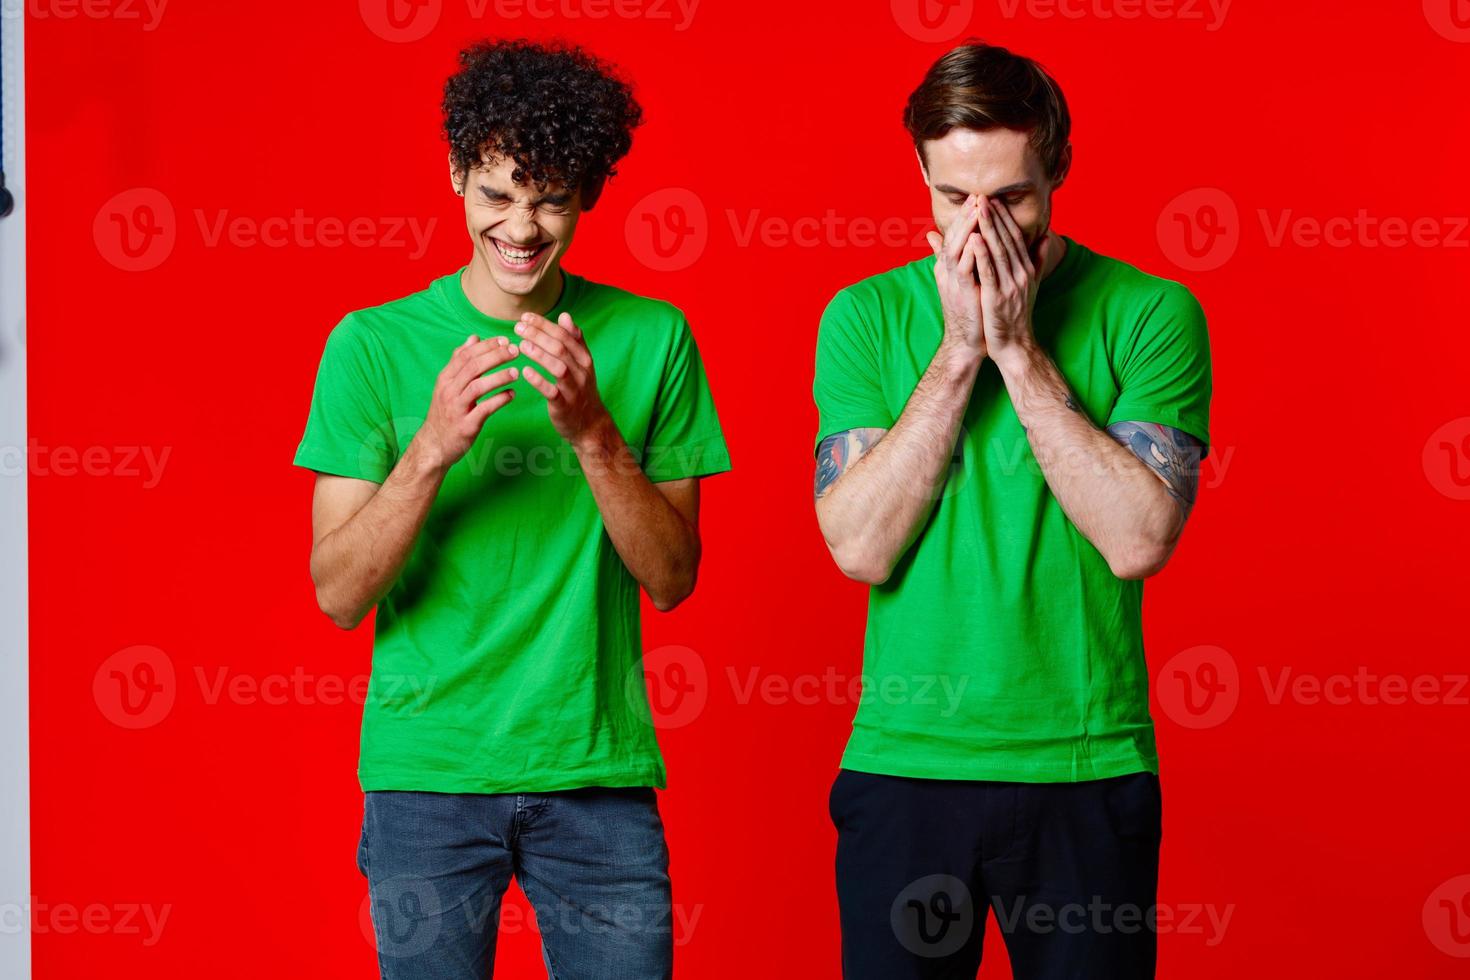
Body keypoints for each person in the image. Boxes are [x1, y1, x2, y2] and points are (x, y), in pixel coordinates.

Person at [293, 39, 730, 980]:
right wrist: (432, 449)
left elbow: (674, 579)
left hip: (598, 778)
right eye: (496, 194)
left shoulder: (654, 339)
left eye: (551, 198)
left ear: (588, 195)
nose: (522, 227)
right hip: (428, 780)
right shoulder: (371, 345)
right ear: (455, 175)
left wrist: (592, 432)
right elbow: (337, 592)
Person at [812, 40, 1212, 980]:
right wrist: (958, 353)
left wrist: (1020, 351)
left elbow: (1138, 538)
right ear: (920, 172)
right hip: (908, 763)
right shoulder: (863, 318)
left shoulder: (1151, 312)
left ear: (1058, 169)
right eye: (954, 200)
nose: (979, 231)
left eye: (1011, 200)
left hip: (1086, 770)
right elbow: (860, 549)